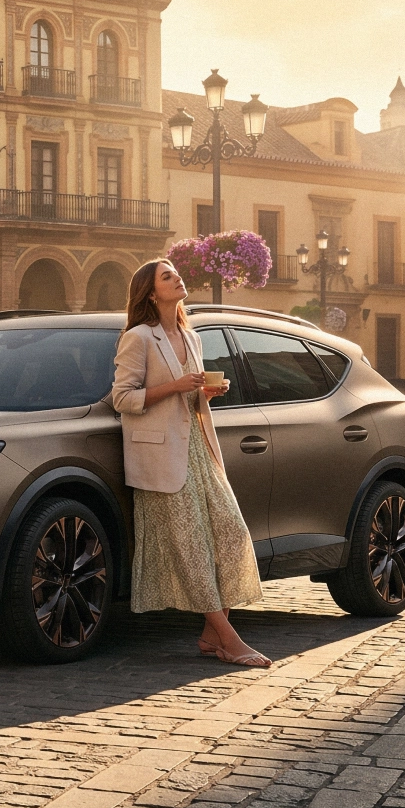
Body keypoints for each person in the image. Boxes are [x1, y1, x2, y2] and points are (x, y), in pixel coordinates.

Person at [110, 258, 270, 668]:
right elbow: (123, 398)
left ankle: (208, 636)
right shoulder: (138, 337)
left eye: (176, 273)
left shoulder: (190, 335)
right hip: (160, 456)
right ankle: (230, 640)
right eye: (167, 276)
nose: (177, 278)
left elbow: (189, 398)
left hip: (199, 449)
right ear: (150, 292)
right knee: (192, 550)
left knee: (232, 537)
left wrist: (204, 394)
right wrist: (175, 386)